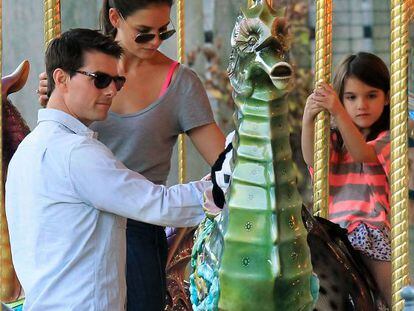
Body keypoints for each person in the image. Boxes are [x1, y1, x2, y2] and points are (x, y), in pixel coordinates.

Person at [37, 1, 226, 310]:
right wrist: (55, 98)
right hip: (77, 219)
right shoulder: (79, 68)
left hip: (138, 222)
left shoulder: (180, 85)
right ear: (115, 17)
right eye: (143, 33)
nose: (154, 42)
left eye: (163, 32)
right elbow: (56, 142)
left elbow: (221, 161)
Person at [301, 52, 391, 306]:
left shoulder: (388, 136)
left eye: (371, 95)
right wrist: (309, 119)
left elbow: (362, 152)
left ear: (386, 99)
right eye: (351, 97)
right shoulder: (333, 139)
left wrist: (339, 113)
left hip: (370, 233)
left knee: (397, 297)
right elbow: (312, 159)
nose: (361, 105)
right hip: (331, 230)